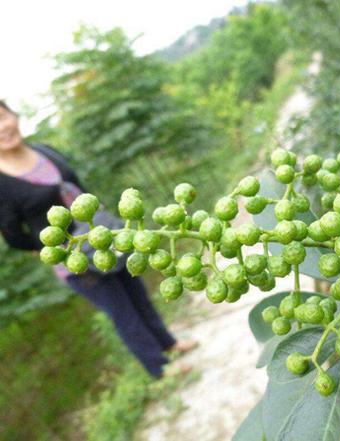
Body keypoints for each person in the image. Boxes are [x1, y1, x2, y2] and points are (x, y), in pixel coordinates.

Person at [0, 99, 196, 378]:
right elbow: (13, 237)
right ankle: (160, 368)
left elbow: (79, 188)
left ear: (13, 115)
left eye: (2, 116)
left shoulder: (44, 151)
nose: (2, 128)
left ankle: (170, 344)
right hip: (76, 259)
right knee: (122, 312)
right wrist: (54, 247)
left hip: (104, 237)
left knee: (137, 293)